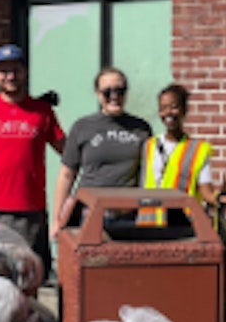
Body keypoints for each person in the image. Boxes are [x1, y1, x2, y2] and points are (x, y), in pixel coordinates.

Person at [0, 43, 66, 282]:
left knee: (30, 279)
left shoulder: (42, 111)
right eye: (4, 71)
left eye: (16, 69)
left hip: (31, 211)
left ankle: (27, 320)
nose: (10, 76)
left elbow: (67, 152)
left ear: (25, 72)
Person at [50, 66, 152, 238]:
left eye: (119, 91)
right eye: (107, 92)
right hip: (89, 215)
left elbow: (147, 173)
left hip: (128, 216)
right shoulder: (83, 127)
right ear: (98, 94)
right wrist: (57, 219)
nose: (114, 97)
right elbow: (67, 174)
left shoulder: (141, 129)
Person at [138, 83, 217, 225]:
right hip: (148, 227)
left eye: (174, 107)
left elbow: (206, 192)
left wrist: (225, 195)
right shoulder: (148, 146)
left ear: (184, 110)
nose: (168, 112)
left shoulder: (198, 149)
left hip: (181, 227)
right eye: (163, 108)